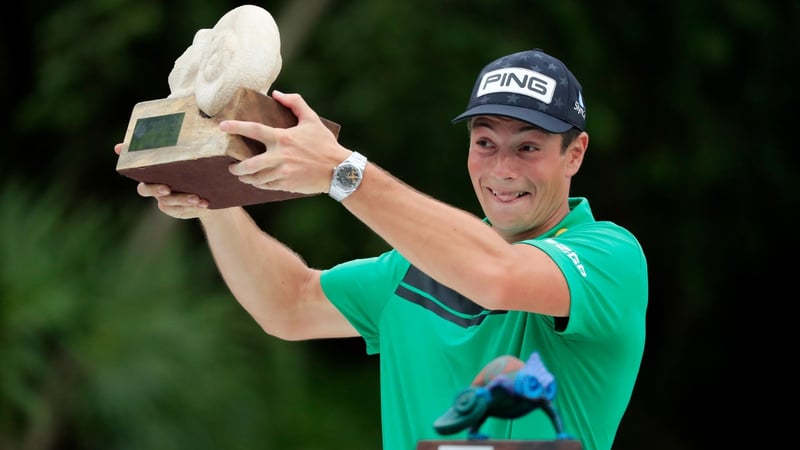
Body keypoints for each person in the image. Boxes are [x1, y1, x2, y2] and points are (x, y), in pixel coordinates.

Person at [115, 48, 648, 450]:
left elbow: (497, 274)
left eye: (527, 147)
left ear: (574, 154)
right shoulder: (416, 266)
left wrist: (342, 172)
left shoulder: (609, 257)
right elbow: (288, 304)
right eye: (485, 143)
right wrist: (211, 193)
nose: (502, 169)